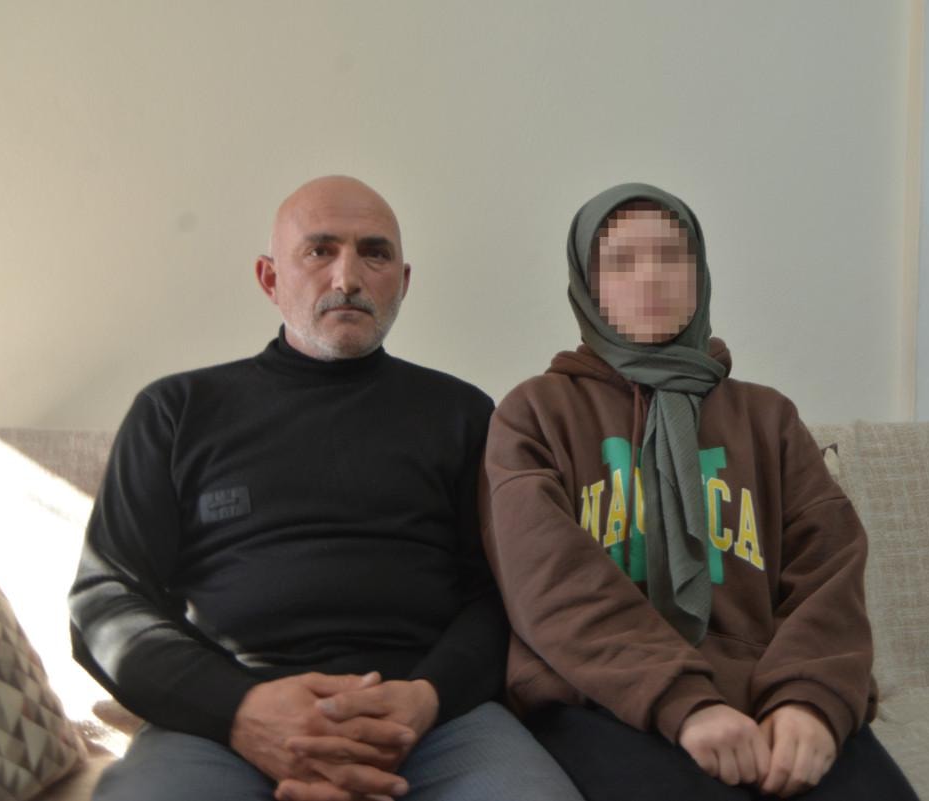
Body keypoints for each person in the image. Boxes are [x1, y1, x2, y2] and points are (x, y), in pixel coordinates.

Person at [69, 175, 583, 801]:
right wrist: (242, 711)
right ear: (269, 279)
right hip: (222, 724)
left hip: (434, 722)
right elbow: (105, 597)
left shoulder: (464, 414)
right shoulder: (176, 412)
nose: (348, 277)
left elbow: (503, 595)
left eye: (375, 253)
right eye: (319, 251)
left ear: (403, 281)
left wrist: (427, 697)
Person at [480, 183, 919, 800]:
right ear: (587, 284)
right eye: (621, 262)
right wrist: (683, 701)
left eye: (671, 255)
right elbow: (550, 583)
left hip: (768, 693)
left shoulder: (768, 418)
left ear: (700, 273)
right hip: (602, 697)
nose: (651, 277)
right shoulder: (535, 413)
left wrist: (810, 700)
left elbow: (828, 570)